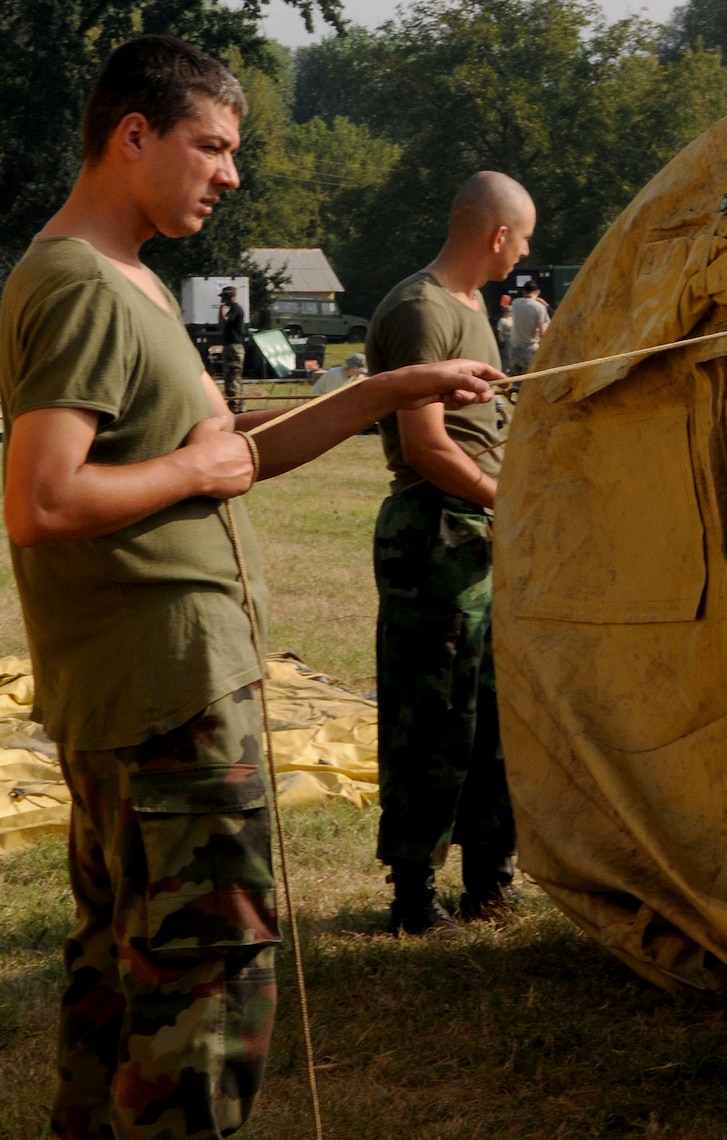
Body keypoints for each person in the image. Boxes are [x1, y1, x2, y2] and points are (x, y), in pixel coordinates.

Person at [0, 36, 501, 1138]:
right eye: (211, 146)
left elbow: (231, 453)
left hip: (157, 693)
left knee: (117, 980)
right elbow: (40, 502)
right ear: (133, 135)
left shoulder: (129, 277)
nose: (230, 175)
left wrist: (386, 391)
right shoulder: (79, 283)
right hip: (162, 700)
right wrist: (195, 467)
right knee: (205, 990)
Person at [365, 170, 530, 937]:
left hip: (482, 532)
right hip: (436, 533)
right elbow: (424, 445)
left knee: (492, 711)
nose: (525, 251)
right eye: (523, 237)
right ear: (498, 235)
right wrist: (512, 501)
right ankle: (414, 895)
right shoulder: (419, 310)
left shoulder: (471, 309)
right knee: (432, 715)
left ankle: (489, 874)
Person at [215, 282, 246, 412]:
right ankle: (237, 405)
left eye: (224, 297)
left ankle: (235, 407)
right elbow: (222, 322)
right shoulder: (233, 309)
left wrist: (222, 308)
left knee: (232, 378)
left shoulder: (236, 309)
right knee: (231, 378)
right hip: (232, 347)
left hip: (234, 347)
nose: (223, 300)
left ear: (229, 297)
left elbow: (225, 320)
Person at [506, 280, 547, 375]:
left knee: (516, 381)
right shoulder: (539, 308)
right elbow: (542, 333)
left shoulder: (515, 303)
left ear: (523, 291)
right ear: (538, 292)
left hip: (514, 348)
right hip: (529, 348)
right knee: (529, 381)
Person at [495, 292, 514, 369]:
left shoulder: (513, 319)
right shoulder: (502, 320)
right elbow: (500, 331)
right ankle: (507, 368)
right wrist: (502, 340)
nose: (510, 313)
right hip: (507, 337)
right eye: (509, 311)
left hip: (514, 337)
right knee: (508, 354)